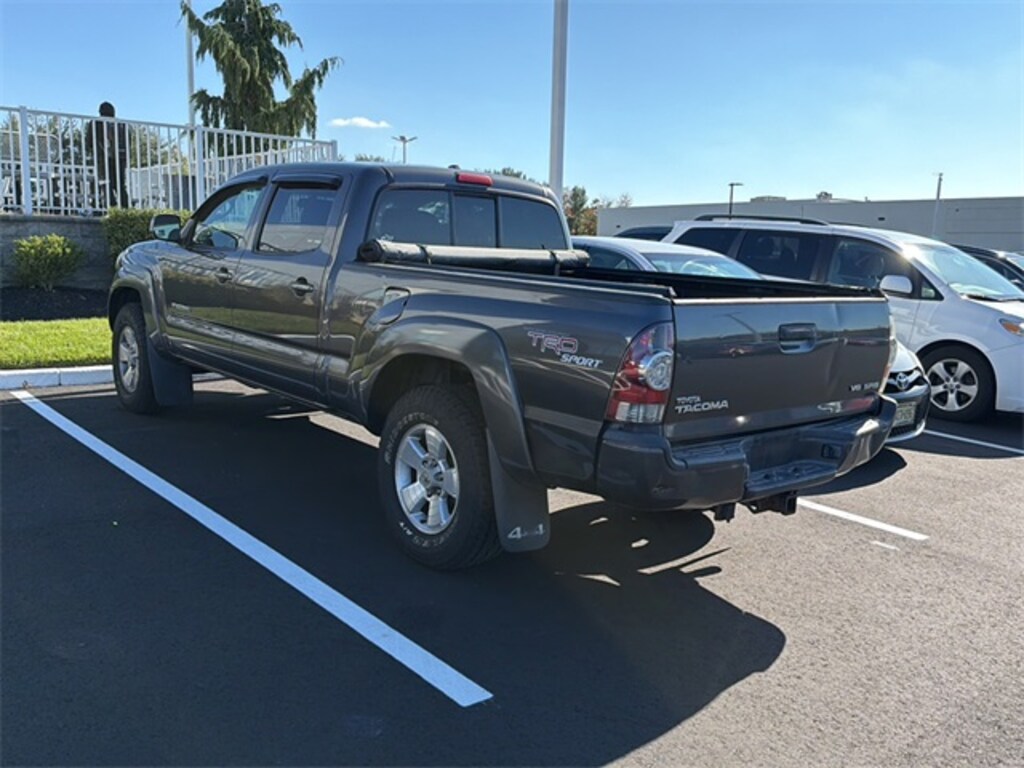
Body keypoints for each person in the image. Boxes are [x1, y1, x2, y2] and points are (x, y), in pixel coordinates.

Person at [86, 102, 129, 209]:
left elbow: (89, 142)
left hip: (103, 157)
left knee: (105, 182)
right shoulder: (122, 124)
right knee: (120, 184)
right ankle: (125, 208)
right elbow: (128, 142)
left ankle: (111, 207)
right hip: (120, 157)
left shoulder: (95, 123)